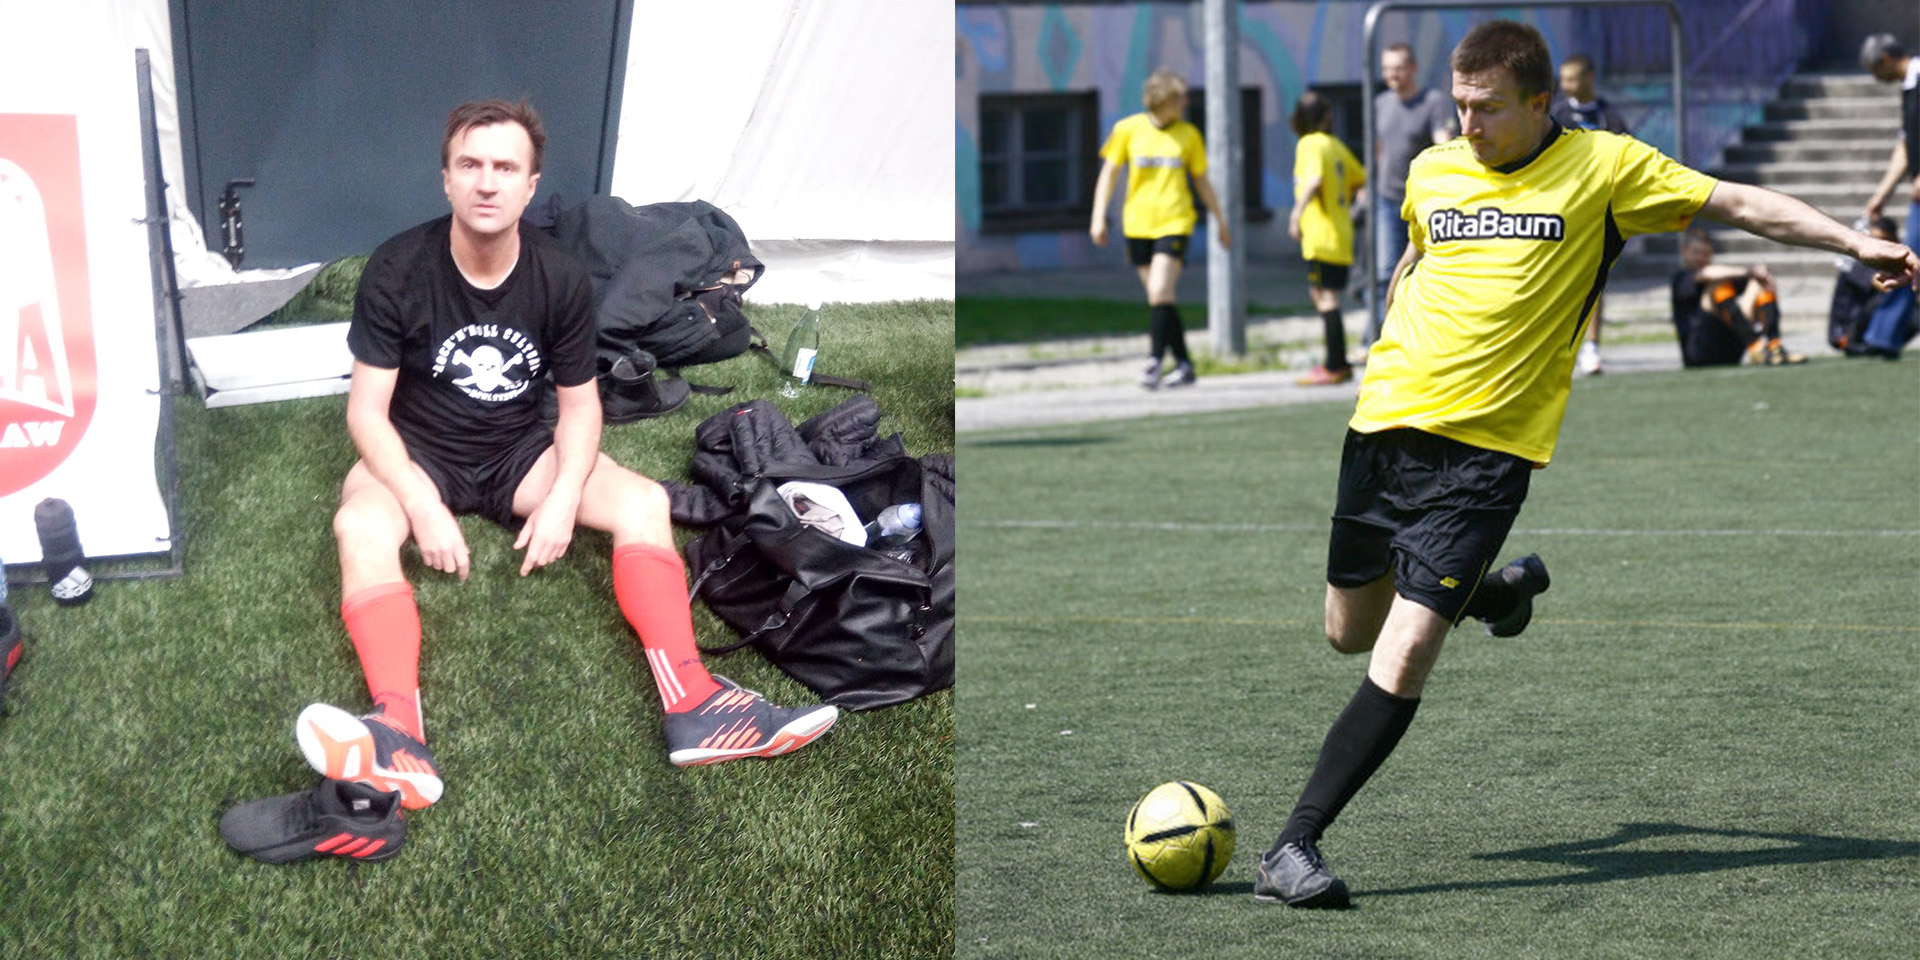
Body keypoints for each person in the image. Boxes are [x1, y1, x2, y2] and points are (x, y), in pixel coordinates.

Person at [1251, 20, 1919, 909]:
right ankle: (1491, 594)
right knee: (1349, 631)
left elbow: (1736, 202)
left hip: (1488, 455)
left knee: (1405, 651)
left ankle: (1291, 845)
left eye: (1487, 109)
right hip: (1382, 431)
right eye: (1459, 106)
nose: (1467, 125)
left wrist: (1853, 242)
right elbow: (1417, 252)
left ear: (1541, 103)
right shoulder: (1433, 169)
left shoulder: (1605, 168)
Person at [220, 99, 838, 864]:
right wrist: (419, 500)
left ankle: (697, 703)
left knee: (643, 501)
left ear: (530, 183)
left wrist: (564, 496)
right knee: (359, 525)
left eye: (505, 167)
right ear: (446, 179)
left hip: (518, 451)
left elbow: (581, 407)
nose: (487, 182)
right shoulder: (398, 268)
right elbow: (367, 413)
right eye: (471, 165)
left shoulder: (559, 277)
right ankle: (397, 731)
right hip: (418, 449)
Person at [1090, 68, 1231, 390]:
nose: (1185, 103)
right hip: (1138, 224)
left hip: (1175, 222)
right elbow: (1109, 173)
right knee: (1161, 298)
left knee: (1158, 291)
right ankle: (1184, 363)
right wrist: (1098, 216)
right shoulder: (1128, 129)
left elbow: (1202, 181)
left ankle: (1154, 361)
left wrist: (1220, 220)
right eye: (1179, 98)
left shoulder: (1189, 135)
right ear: (1162, 100)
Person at [1367, 43, 1456, 345]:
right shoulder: (1380, 103)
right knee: (1384, 271)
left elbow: (1443, 144)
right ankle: (1382, 337)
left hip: (1423, 203)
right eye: (1387, 69)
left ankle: (1420, 337)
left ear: (1413, 68)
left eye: (1398, 68)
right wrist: (1368, 186)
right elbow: (1378, 149)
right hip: (1386, 197)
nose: (1392, 74)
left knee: (1420, 269)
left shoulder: (1432, 102)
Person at [1550, 54, 1631, 376]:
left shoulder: (1609, 115)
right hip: (1561, 209)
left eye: (1571, 79)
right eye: (1563, 79)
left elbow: (1626, 155)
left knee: (1594, 280)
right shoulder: (1556, 114)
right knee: (1557, 282)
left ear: (1589, 78)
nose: (1566, 85)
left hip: (1598, 210)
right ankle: (1558, 347)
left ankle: (1591, 347)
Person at [1289, 92, 1366, 386]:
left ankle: (1336, 365)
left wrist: (1296, 214)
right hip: (1340, 231)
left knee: (1326, 297)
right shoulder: (1336, 145)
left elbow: (1314, 181)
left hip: (1321, 234)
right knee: (1322, 294)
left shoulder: (1310, 144)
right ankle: (1337, 362)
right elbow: (1360, 178)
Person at [1670, 227, 1806, 367]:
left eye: (1705, 253)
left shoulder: (1718, 274)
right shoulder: (1681, 279)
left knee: (1758, 283)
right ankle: (1755, 346)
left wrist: (1761, 275)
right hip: (1699, 353)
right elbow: (1707, 274)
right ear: (1684, 251)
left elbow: (1749, 280)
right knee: (1717, 285)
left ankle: (1774, 346)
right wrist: (1749, 271)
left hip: (1731, 350)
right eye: (1696, 252)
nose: (1700, 258)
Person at [1862, 34, 1920, 254]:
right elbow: (1905, 145)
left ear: (1885, 58)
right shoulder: (1910, 87)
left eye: (1874, 69)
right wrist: (1881, 196)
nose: (1875, 78)